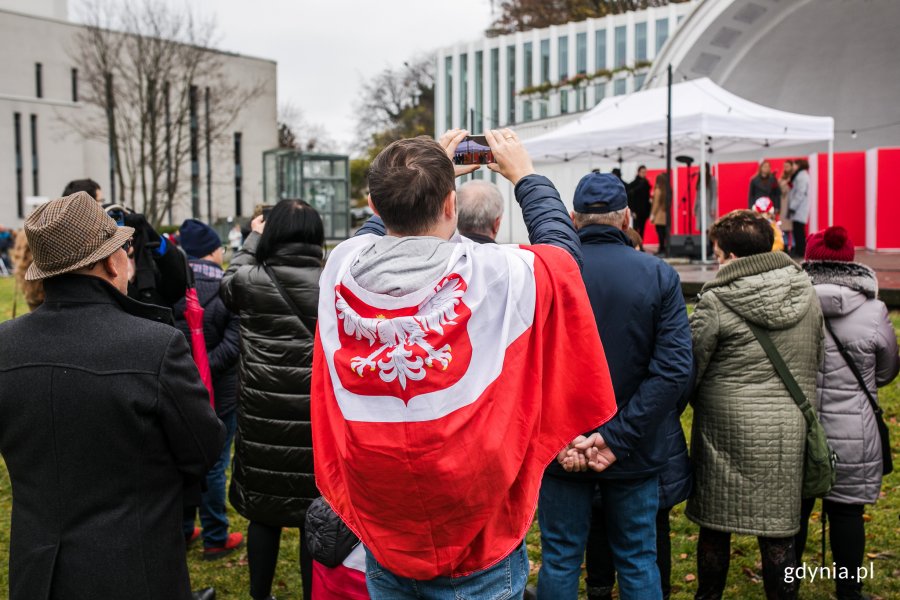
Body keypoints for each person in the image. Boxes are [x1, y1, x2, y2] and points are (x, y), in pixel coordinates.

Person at [313, 129, 618, 600]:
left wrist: (425, 176)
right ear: (452, 206)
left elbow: (375, 231)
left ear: (373, 206)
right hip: (478, 542)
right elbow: (562, 258)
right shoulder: (493, 271)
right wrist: (526, 177)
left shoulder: (339, 268)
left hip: (385, 530)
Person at [0, 192, 225, 600]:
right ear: (110, 262)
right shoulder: (155, 345)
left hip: (37, 569)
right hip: (134, 566)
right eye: (124, 248)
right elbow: (203, 447)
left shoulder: (4, 344)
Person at [537, 173, 693, 600]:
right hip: (632, 446)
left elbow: (529, 365)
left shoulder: (548, 273)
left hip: (563, 447)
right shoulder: (657, 274)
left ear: (572, 219)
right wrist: (618, 437)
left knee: (560, 557)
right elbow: (674, 370)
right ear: (627, 218)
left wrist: (570, 438)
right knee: (638, 558)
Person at [688, 210, 824, 600]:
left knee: (715, 528)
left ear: (731, 257)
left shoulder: (715, 301)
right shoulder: (807, 292)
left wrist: (702, 401)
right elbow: (818, 356)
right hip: (786, 431)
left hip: (723, 433)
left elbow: (692, 367)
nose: (715, 261)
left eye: (717, 253)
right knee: (780, 533)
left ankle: (708, 596)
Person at [220, 198, 326, 600]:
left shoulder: (251, 278)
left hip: (261, 417)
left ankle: (260, 595)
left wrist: (252, 237)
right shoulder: (332, 279)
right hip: (313, 419)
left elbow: (229, 281)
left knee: (263, 516)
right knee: (309, 516)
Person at [797, 227, 899, 600]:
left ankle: (787, 584)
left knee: (795, 513)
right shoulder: (874, 311)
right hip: (855, 430)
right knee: (847, 513)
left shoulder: (793, 304)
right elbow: (887, 370)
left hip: (801, 429)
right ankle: (848, 588)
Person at [174, 219, 244, 560]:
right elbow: (234, 346)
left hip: (177, 390)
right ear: (215, 251)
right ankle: (216, 535)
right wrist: (205, 369)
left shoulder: (171, 285)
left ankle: (185, 529)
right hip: (222, 394)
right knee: (216, 465)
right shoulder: (226, 287)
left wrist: (187, 373)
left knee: (183, 461)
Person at [788, 158, 810, 258]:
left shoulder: (802, 177)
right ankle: (799, 250)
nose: (793, 166)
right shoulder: (801, 175)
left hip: (799, 208)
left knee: (799, 231)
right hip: (799, 207)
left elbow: (800, 193)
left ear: (799, 165)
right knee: (798, 230)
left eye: (795, 164)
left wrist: (792, 206)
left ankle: (800, 251)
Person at [627, 165, 652, 239]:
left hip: (644, 211)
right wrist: (632, 210)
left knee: (642, 229)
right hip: (636, 211)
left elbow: (647, 198)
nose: (644, 174)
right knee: (635, 229)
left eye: (645, 172)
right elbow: (630, 198)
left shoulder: (646, 183)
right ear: (638, 172)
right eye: (642, 172)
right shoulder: (633, 184)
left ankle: (641, 245)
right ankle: (636, 245)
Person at [694, 163, 717, 233]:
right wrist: (695, 207)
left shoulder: (712, 180)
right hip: (700, 209)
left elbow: (714, 195)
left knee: (709, 228)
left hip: (708, 208)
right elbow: (697, 196)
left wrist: (713, 208)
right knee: (701, 228)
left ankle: (709, 244)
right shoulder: (700, 180)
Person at [650, 173, 669, 254]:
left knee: (659, 232)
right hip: (665, 214)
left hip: (658, 214)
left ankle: (661, 248)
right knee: (664, 233)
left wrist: (652, 214)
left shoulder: (657, 190)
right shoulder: (666, 190)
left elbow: (656, 204)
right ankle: (664, 248)